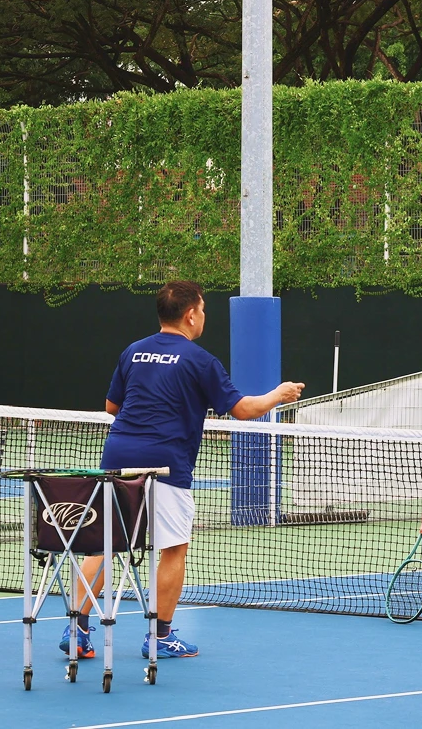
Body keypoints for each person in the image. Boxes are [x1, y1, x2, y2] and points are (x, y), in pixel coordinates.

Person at [62, 280, 304, 660]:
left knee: (106, 544)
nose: (204, 316)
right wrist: (279, 393)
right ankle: (160, 636)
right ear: (191, 314)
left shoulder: (133, 352)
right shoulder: (200, 360)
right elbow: (242, 410)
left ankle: (77, 628)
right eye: (203, 309)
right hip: (166, 465)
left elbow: (112, 407)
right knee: (173, 549)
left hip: (116, 456)